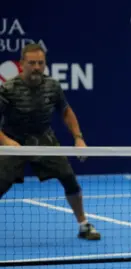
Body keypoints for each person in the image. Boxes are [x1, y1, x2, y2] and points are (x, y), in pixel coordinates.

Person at [0, 44, 101, 240]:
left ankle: (83, 225)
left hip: (44, 139)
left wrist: (78, 138)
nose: (37, 67)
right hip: (14, 141)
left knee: (69, 178)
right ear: (22, 64)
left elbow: (66, 111)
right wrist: (6, 141)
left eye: (41, 63)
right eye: (32, 63)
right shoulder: (8, 89)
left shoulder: (52, 86)